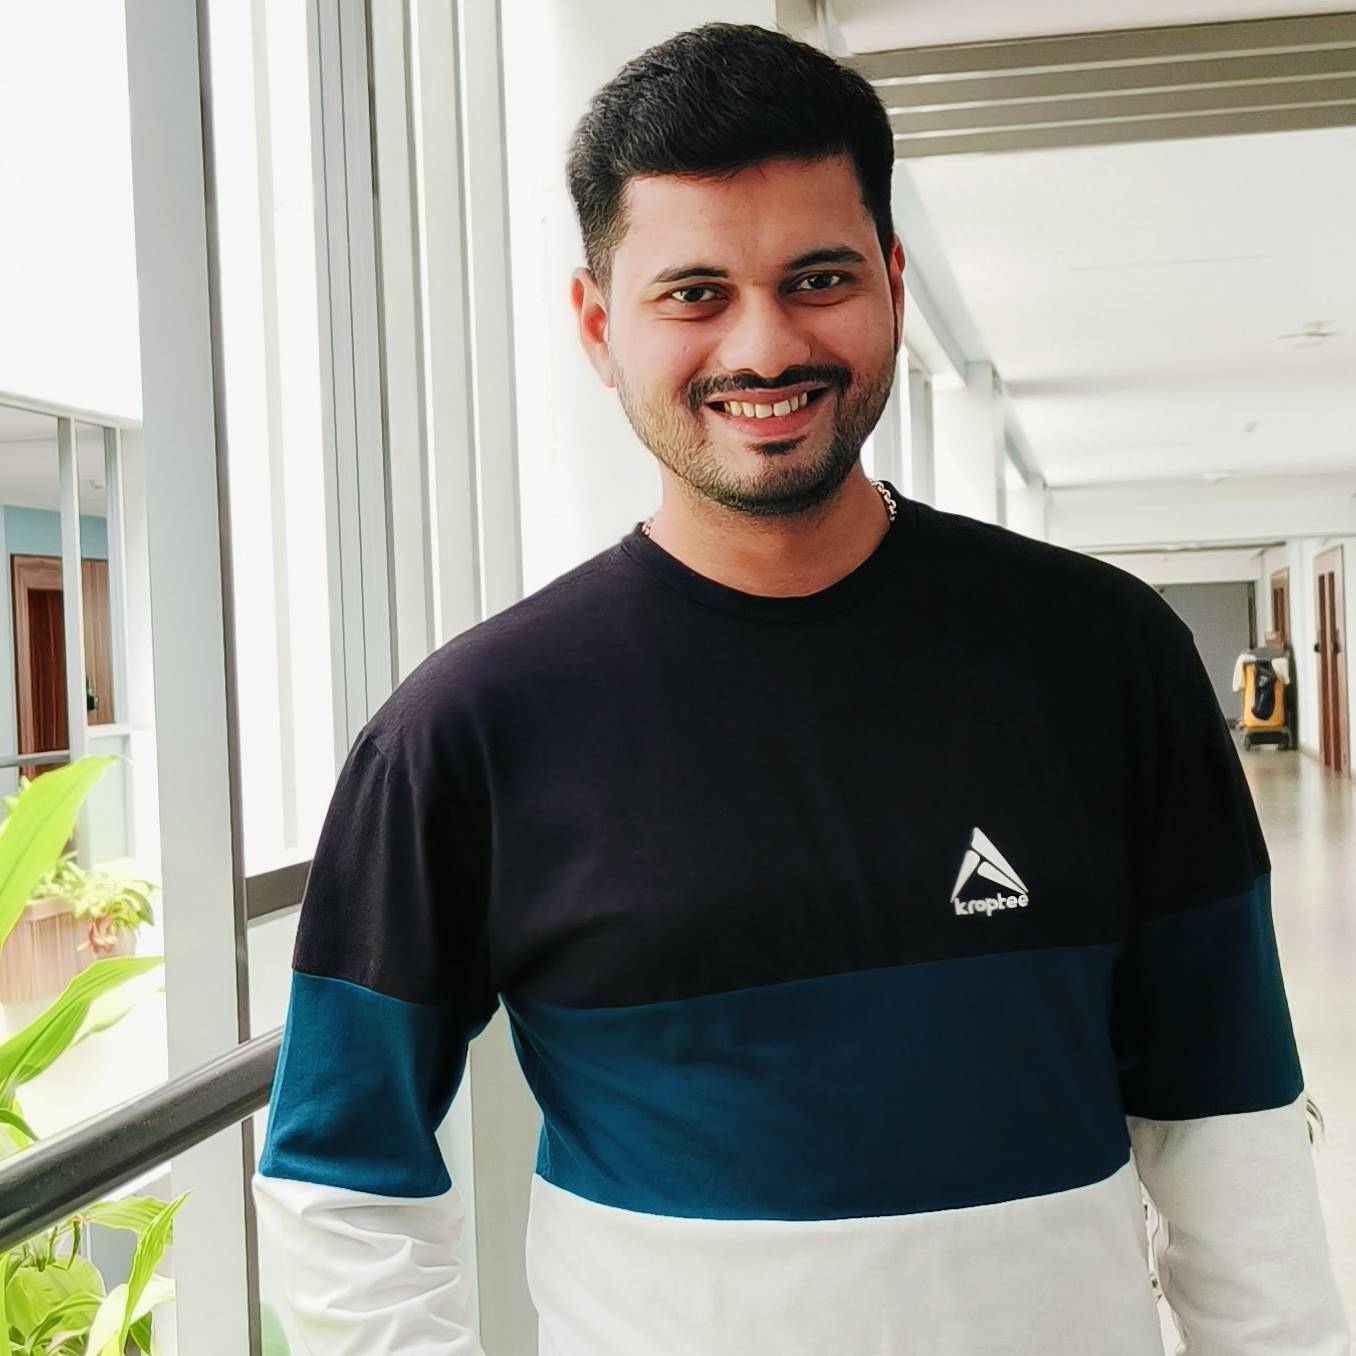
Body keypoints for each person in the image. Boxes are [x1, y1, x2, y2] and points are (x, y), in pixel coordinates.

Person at [255, 22, 1347, 1356]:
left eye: (817, 276)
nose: (764, 346)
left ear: (890, 281)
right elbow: (340, 1171)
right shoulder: (473, 728)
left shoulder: (1103, 657)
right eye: (694, 292)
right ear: (600, 326)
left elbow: (1225, 1116)